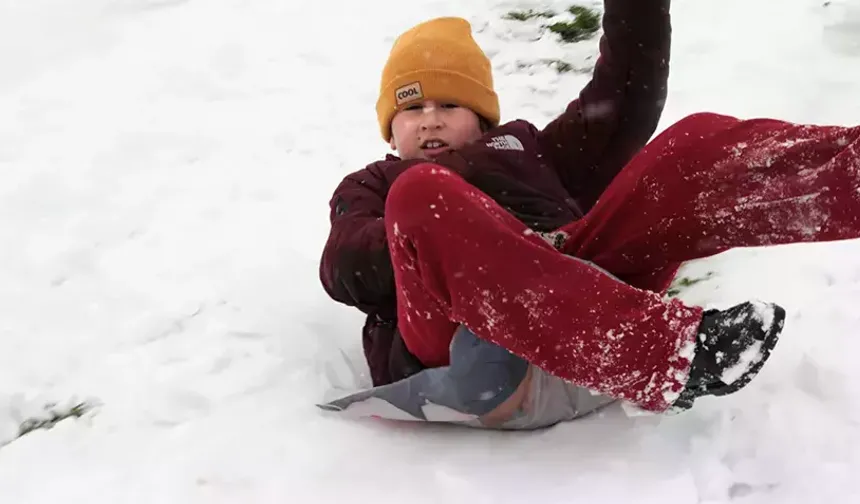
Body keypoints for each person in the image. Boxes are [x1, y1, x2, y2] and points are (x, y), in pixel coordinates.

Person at [318, 0, 860, 427]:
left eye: (448, 105)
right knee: (420, 198)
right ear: (390, 129)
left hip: (583, 313)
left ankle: (849, 177)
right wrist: (478, 238)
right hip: (474, 360)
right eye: (411, 109)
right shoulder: (377, 184)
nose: (429, 121)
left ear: (483, 119)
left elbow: (624, 100)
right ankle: (665, 356)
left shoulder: (530, 151)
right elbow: (342, 267)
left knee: (689, 147)